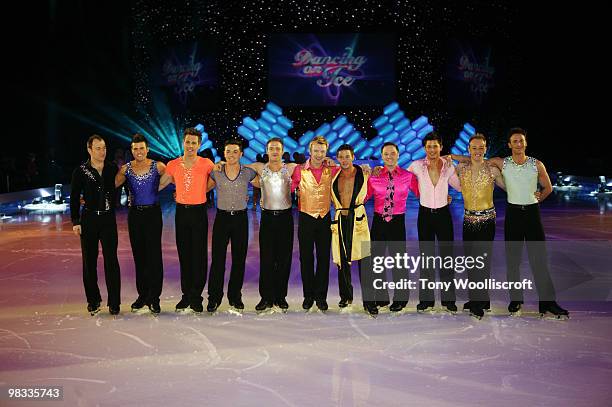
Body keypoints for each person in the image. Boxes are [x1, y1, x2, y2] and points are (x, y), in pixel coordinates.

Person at [239, 138, 299, 312]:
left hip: (285, 218)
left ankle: (280, 297)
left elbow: (313, 164)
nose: (274, 151)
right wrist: (220, 164)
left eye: (277, 148)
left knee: (284, 259)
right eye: (271, 148)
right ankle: (266, 297)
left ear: (282, 151)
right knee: (266, 258)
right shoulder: (259, 167)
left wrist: (328, 161)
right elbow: (236, 167)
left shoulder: (291, 167)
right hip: (267, 218)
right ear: (266, 151)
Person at [159, 127, 214, 313]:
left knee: (198, 255)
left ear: (199, 145)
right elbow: (162, 183)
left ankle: (196, 296)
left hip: (199, 212)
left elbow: (217, 180)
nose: (190, 145)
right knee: (184, 254)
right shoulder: (173, 164)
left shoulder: (207, 163)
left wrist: (202, 190)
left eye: (194, 143)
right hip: (181, 212)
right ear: (183, 143)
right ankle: (186, 295)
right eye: (187, 142)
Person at [408, 132, 461, 313]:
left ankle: (448, 300)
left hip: (443, 216)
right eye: (429, 146)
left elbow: (460, 186)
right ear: (425, 148)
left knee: (447, 258)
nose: (432, 149)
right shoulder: (416, 166)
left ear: (441, 147)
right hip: (425, 217)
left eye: (435, 146)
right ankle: (426, 300)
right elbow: (400, 178)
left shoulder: (448, 166)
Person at [454, 133, 505, 319]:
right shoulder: (461, 168)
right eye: (474, 148)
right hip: (468, 221)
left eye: (481, 147)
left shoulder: (492, 169)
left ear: (486, 149)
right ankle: (481, 298)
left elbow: (509, 187)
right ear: (468, 149)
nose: (477, 151)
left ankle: (477, 303)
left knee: (482, 262)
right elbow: (445, 177)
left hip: (486, 221)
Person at [115, 134, 166, 314]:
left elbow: (176, 177)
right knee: (139, 256)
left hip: (153, 214)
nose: (139, 151)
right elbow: (109, 186)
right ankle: (143, 295)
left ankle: (155, 297)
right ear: (132, 150)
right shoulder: (125, 169)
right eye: (135, 149)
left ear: (147, 149)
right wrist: (88, 198)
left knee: (154, 256)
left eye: (141, 148)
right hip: (135, 216)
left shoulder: (158, 166)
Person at [366, 142, 419, 312]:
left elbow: (421, 193)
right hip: (379, 221)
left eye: (393, 153)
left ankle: (401, 299)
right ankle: (380, 298)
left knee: (398, 262)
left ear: (398, 155)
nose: (389, 157)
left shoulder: (407, 176)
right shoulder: (374, 176)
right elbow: (364, 196)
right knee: (377, 261)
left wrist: (442, 197)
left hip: (397, 221)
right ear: (382, 156)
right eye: (386, 154)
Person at [70, 135, 121, 316]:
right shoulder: (81, 171)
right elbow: (74, 197)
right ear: (89, 150)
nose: (102, 152)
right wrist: (75, 221)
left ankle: (114, 302)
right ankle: (93, 300)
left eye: (104, 148)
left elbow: (121, 186)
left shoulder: (112, 168)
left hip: (108, 220)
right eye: (98, 148)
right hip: (89, 220)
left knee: (111, 261)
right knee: (89, 262)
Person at [205, 140, 257, 313]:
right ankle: (214, 298)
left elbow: (264, 180)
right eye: (228, 151)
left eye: (235, 151)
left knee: (239, 260)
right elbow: (202, 186)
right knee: (218, 260)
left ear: (241, 154)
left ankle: (235, 296)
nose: (231, 155)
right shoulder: (217, 172)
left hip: (241, 220)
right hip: (222, 219)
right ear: (224, 153)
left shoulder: (248, 172)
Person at [290, 136, 340, 311]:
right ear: (310, 152)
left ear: (326, 152)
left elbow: (350, 172)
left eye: (322, 151)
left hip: (325, 218)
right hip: (305, 218)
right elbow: (286, 187)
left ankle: (321, 296)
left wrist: (366, 168)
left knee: (324, 258)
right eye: (316, 151)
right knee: (306, 258)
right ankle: (308, 295)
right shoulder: (298, 170)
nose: (319, 154)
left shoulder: (332, 170)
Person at [330, 144, 377, 315]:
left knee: (365, 260)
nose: (344, 160)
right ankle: (346, 297)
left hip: (359, 220)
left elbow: (379, 185)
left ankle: (369, 301)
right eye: (341, 157)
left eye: (347, 156)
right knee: (342, 261)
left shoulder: (364, 173)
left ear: (353, 156)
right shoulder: (334, 176)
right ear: (337, 158)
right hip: (341, 219)